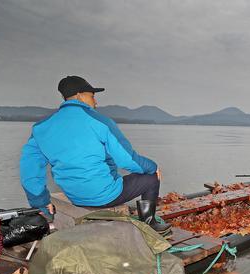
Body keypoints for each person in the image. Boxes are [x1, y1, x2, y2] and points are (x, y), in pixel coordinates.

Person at [19, 75, 170, 233]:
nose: (95, 102)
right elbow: (127, 159)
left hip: (75, 196)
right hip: (104, 197)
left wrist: (40, 201)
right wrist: (152, 167)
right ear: (79, 95)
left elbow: (29, 171)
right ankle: (150, 223)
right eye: (92, 96)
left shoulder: (41, 127)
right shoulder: (100, 122)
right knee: (151, 177)